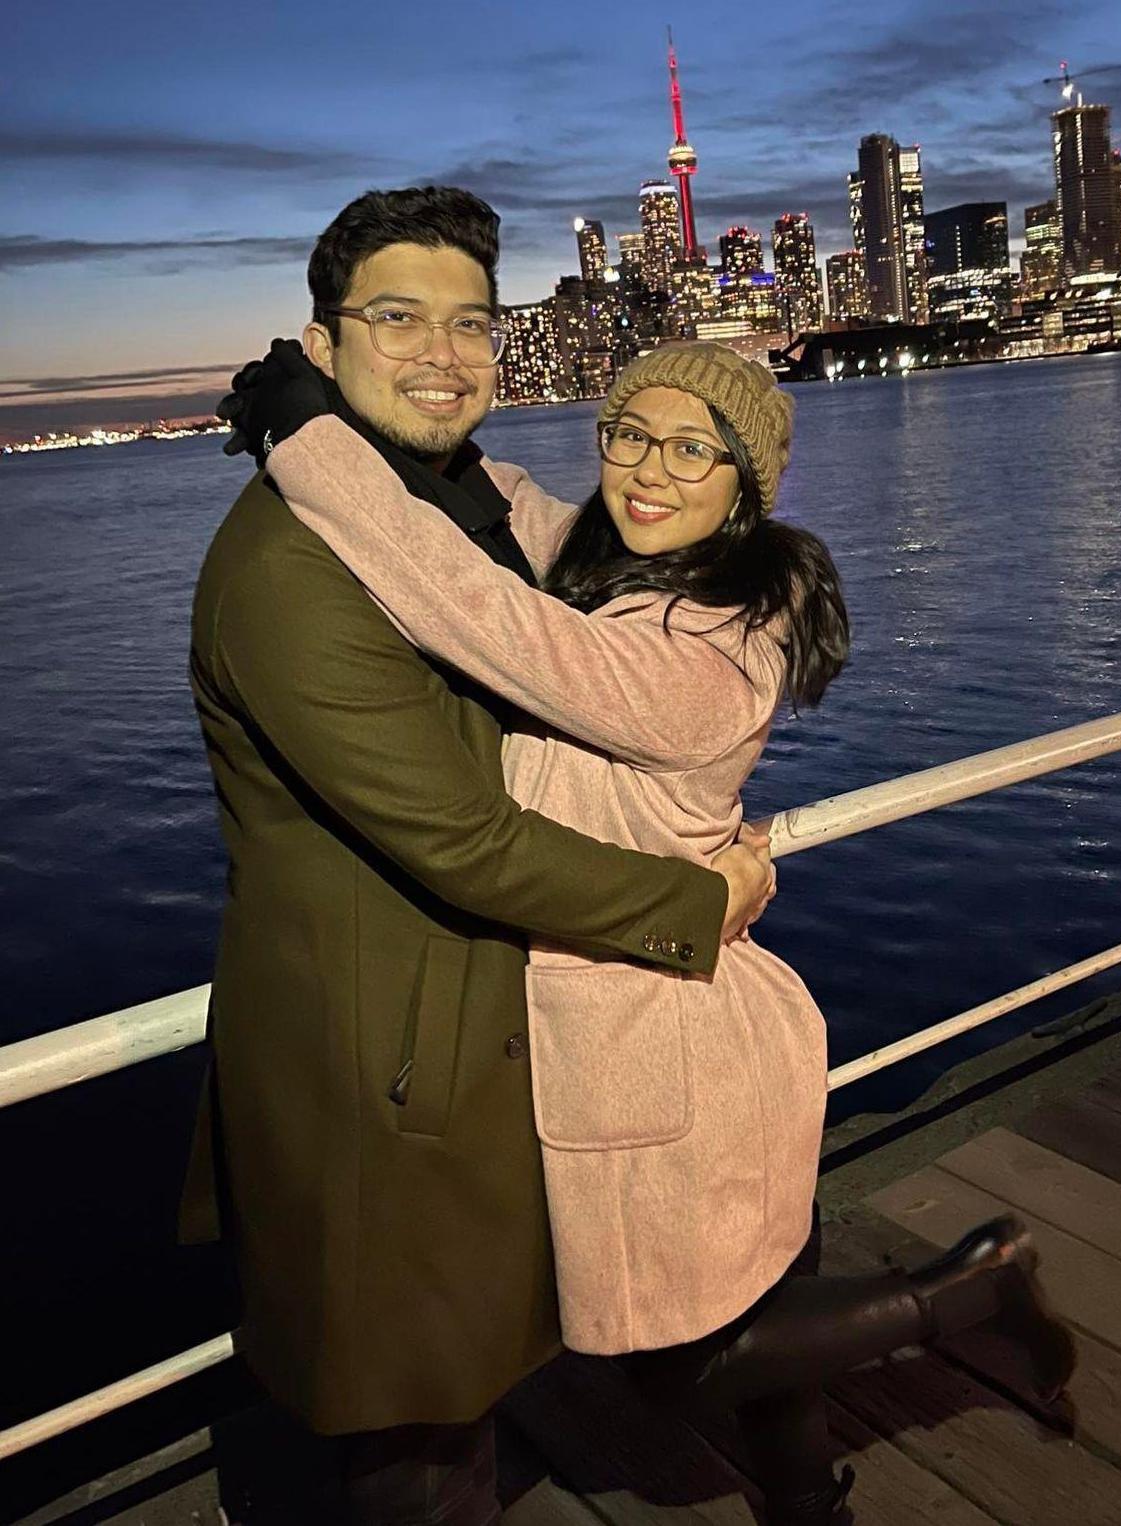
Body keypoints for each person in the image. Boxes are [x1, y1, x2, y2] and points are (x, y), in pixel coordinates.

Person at [226, 310, 1077, 1519]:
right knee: (751, 1301)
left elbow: (466, 602)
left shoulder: (702, 655)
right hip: (683, 1010)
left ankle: (967, 1295)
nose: (644, 469)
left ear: (744, 486)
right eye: (627, 435)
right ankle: (809, 1505)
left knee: (682, 1354)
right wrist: (394, 403)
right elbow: (507, 503)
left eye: (690, 450)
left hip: (651, 1048)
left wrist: (301, 435)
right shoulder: (636, 566)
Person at [186, 186, 776, 1526]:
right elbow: (459, 836)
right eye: (397, 318)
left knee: (455, 1390)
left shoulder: (450, 508)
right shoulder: (291, 570)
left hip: (470, 1034)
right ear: (322, 346)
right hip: (381, 1072)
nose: (446, 352)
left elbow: (545, 568)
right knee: (409, 1418)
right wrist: (700, 894)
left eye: (472, 322)